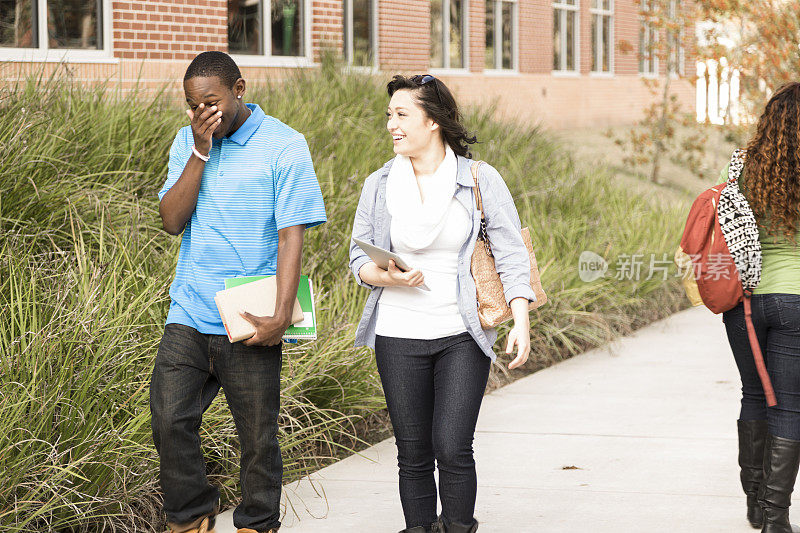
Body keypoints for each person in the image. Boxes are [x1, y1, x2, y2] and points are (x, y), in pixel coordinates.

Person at [348, 74, 536, 533]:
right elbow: (359, 258)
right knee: (412, 452)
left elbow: (511, 252)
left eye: (401, 114)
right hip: (397, 334)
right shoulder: (379, 183)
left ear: (432, 121)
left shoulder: (477, 178)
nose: (391, 124)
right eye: (389, 114)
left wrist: (521, 320)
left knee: (452, 447)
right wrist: (385, 275)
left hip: (461, 333)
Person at [152, 51, 327, 533]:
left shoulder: (285, 145)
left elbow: (293, 234)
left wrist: (280, 312)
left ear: (239, 90)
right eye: (193, 105)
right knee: (169, 417)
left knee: (257, 435)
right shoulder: (187, 142)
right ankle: (191, 515)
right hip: (189, 308)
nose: (203, 113)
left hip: (248, 314)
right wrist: (199, 151)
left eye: (212, 101)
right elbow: (171, 221)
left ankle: (257, 521)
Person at [720, 82, 800, 533]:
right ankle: (775, 518)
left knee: (753, 393)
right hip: (796, 300)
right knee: (788, 405)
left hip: (745, 304)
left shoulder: (743, 167)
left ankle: (754, 502)